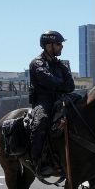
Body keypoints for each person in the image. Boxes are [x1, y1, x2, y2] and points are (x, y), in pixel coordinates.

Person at [28, 30, 75, 178]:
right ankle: (37, 161)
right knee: (40, 121)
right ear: (48, 45)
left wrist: (60, 85)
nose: (61, 47)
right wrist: (61, 84)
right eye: (59, 44)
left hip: (61, 99)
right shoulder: (37, 63)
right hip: (44, 100)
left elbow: (71, 85)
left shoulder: (59, 64)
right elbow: (47, 80)